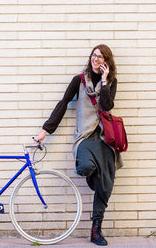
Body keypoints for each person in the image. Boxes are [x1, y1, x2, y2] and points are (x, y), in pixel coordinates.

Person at [36, 44, 123, 246]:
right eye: (94, 55)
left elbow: (107, 106)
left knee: (106, 185)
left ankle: (96, 230)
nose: (96, 59)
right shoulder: (79, 80)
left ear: (107, 62)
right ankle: (96, 179)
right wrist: (45, 131)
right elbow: (63, 103)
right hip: (85, 137)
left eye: (101, 57)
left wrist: (104, 81)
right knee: (86, 167)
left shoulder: (110, 81)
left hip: (105, 139)